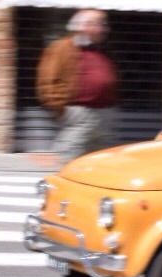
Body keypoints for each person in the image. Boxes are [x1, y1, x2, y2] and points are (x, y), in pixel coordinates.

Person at [36, 9, 120, 164]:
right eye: (101, 24)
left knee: (102, 160)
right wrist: (60, 108)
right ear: (85, 26)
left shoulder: (100, 49)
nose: (105, 29)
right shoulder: (61, 48)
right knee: (70, 157)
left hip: (104, 113)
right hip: (80, 113)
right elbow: (47, 80)